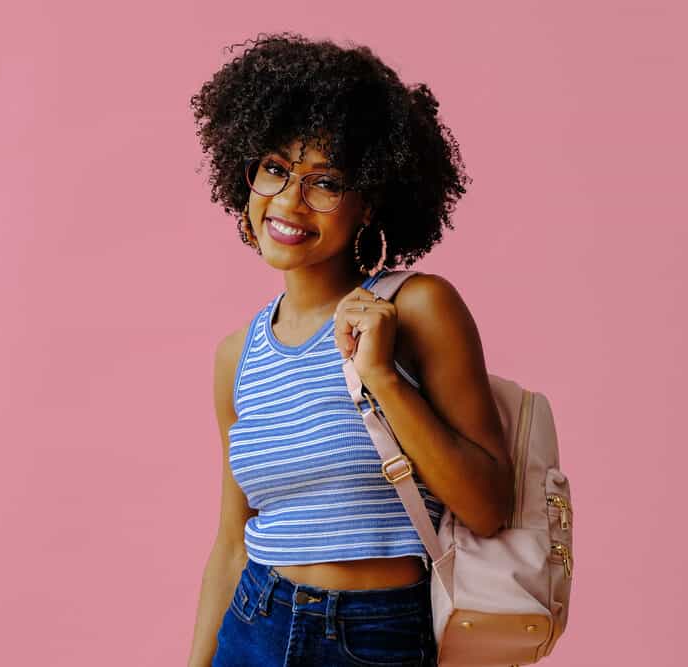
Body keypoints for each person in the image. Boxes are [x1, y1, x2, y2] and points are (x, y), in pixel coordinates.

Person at [186, 32, 513, 666]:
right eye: (275, 169)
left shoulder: (419, 307)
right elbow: (231, 543)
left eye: (326, 182)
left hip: (375, 635)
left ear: (368, 202)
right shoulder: (237, 355)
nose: (288, 201)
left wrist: (381, 376)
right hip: (254, 622)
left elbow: (488, 507)